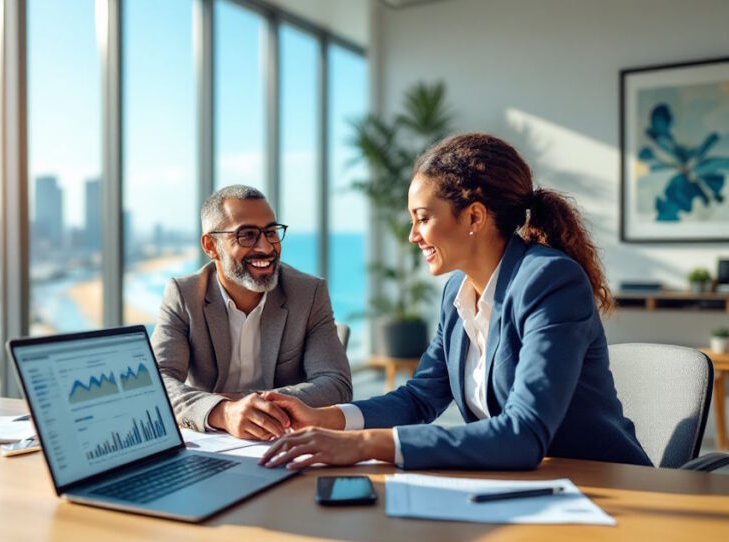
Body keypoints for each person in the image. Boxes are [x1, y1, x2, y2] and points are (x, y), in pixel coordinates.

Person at [259, 133, 651, 471]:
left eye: (423, 218)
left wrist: (366, 445)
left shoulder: (548, 281)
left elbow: (525, 432)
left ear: (474, 217)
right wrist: (325, 419)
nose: (413, 235)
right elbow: (419, 398)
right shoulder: (457, 293)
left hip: (612, 488)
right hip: (528, 488)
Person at [151, 185, 352, 440]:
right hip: (209, 441)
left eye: (271, 232)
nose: (266, 248)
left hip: (282, 440)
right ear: (211, 245)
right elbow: (156, 382)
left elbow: (337, 384)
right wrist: (223, 412)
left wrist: (250, 405)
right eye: (247, 235)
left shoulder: (308, 293)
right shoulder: (184, 295)